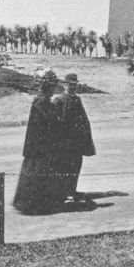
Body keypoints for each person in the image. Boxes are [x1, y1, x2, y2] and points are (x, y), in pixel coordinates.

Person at [12, 70, 67, 215]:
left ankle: (34, 203)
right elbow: (51, 120)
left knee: (36, 172)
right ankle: (35, 204)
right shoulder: (43, 102)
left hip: (39, 144)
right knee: (39, 173)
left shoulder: (42, 100)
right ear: (49, 87)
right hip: (41, 146)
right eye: (53, 86)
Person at [58, 72, 96, 203]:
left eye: (74, 85)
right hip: (65, 142)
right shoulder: (61, 100)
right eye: (70, 84)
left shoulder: (77, 99)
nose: (72, 87)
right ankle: (63, 192)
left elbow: (83, 119)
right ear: (64, 85)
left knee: (75, 167)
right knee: (65, 167)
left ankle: (71, 190)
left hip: (77, 141)